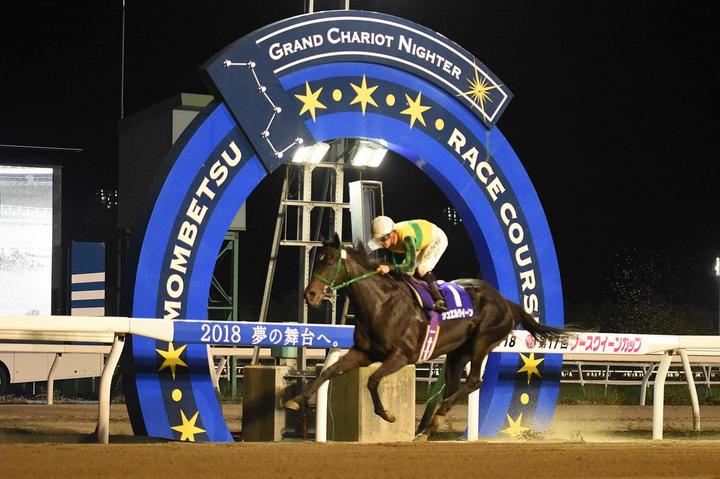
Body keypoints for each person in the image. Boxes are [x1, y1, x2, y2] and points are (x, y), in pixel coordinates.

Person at [368, 215, 448, 312]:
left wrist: (389, 268)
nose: (381, 243)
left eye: (383, 239)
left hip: (436, 238)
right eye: (378, 240)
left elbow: (410, 266)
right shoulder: (388, 241)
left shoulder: (407, 238)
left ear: (393, 233)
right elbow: (394, 264)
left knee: (422, 268)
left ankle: (439, 300)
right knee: (407, 273)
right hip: (419, 242)